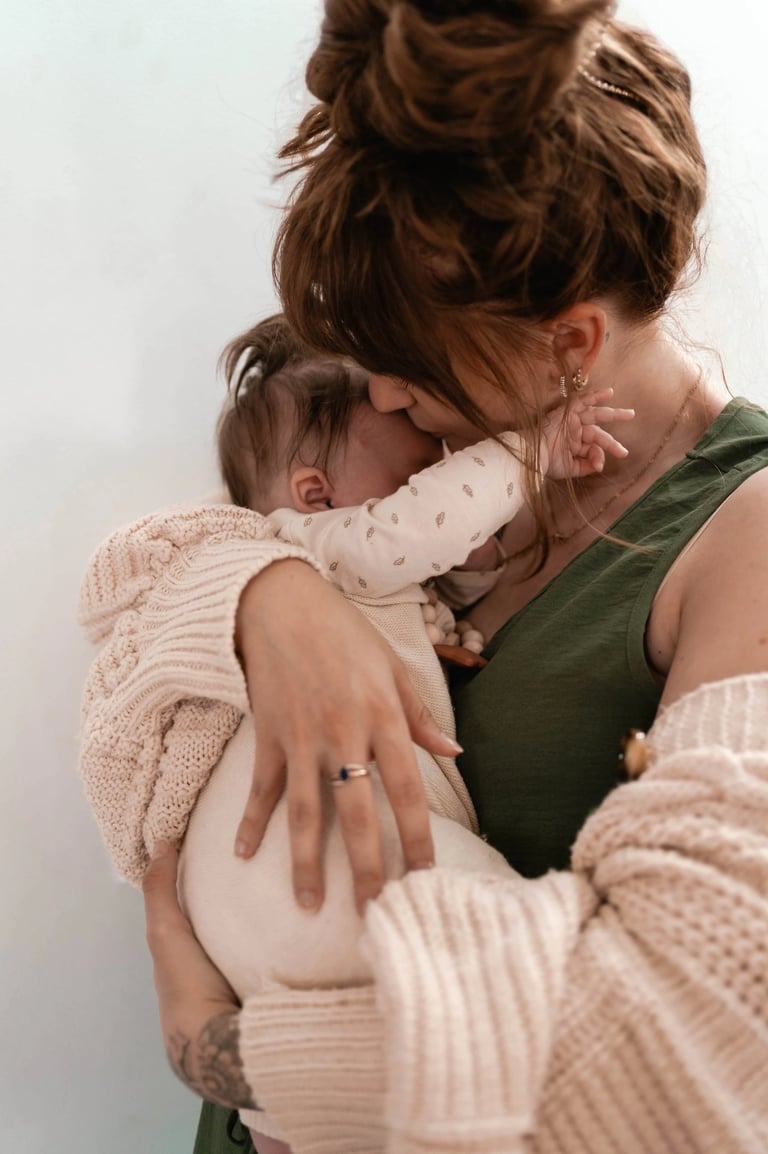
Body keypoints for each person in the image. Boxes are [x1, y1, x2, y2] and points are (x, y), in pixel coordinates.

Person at [79, 0, 768, 1150]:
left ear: (570, 343)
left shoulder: (745, 533)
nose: (380, 399)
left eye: (406, 371)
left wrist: (219, 1040)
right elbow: (134, 580)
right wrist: (271, 599)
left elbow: (694, 1030)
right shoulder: (457, 443)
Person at [80, 310, 631, 1147]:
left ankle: (281, 1120)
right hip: (305, 855)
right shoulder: (320, 545)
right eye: (419, 471)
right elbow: (414, 533)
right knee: (502, 932)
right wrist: (534, 453)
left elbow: (449, 571)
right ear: (314, 493)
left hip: (258, 917)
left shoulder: (362, 573)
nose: (440, 472)